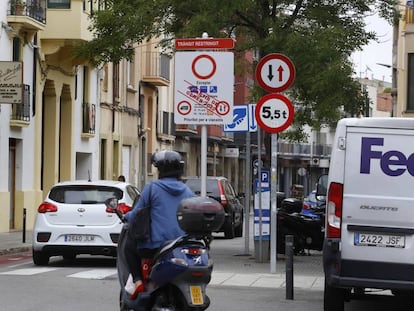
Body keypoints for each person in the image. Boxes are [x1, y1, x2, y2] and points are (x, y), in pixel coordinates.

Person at [123, 150, 194, 299]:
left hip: (155, 246)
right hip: (180, 245)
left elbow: (137, 213)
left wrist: (126, 216)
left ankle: (137, 282)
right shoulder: (188, 191)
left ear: (160, 170)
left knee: (128, 246)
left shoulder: (152, 188)